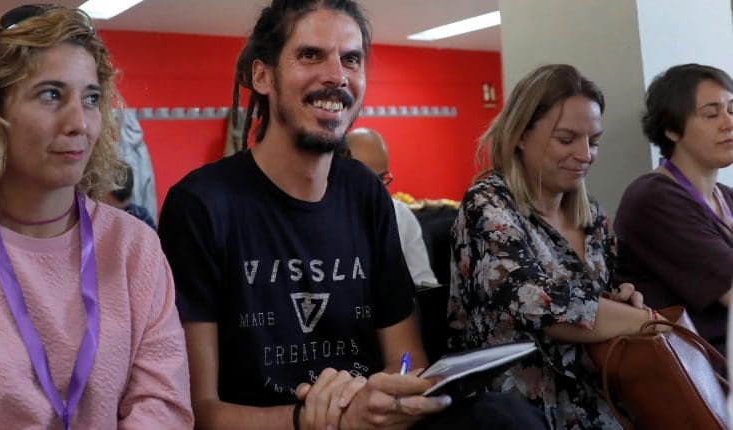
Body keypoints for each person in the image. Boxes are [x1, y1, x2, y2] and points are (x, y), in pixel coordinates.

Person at [159, 1, 547, 429]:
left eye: (351, 59)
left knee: (504, 417)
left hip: (373, 421)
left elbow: (405, 359)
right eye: (310, 55)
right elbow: (201, 411)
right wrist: (313, 418)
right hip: (280, 424)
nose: (337, 75)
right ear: (263, 76)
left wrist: (391, 392)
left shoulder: (366, 193)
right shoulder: (201, 205)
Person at [0, 5, 193, 428]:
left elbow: (164, 405)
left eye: (91, 98)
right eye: (51, 94)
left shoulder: (134, 246)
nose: (79, 122)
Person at [447, 64, 663, 429]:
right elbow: (542, 307)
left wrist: (619, 301)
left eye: (593, 142)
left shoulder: (590, 213)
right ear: (520, 134)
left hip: (600, 402)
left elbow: (592, 302)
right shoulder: (487, 204)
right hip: (517, 414)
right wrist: (648, 323)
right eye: (566, 139)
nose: (585, 155)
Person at [613, 64, 733, 356]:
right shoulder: (654, 198)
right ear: (671, 129)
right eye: (711, 114)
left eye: (732, 109)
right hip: (704, 372)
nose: (728, 123)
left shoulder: (726, 196)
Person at [347, 127, 438, 286]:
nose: (376, 189)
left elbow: (424, 282)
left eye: (382, 179)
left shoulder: (400, 214)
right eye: (366, 179)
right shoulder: (318, 216)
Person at [102, 163, 157, 229]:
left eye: (121, 209)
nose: (114, 213)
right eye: (109, 207)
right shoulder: (95, 211)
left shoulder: (141, 216)